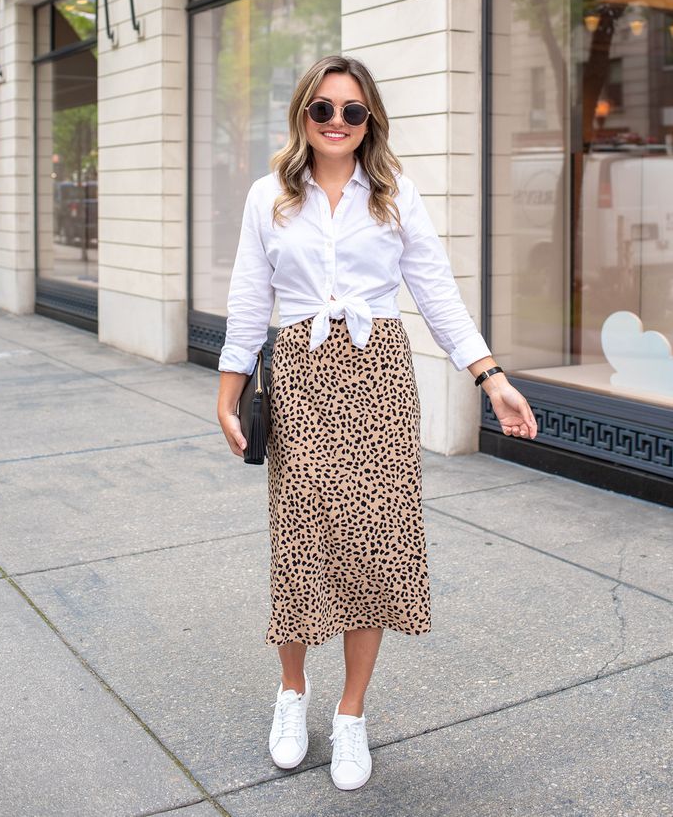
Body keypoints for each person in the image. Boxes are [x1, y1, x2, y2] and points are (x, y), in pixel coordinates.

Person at [216, 54, 537, 792]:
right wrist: (227, 394)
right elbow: (246, 300)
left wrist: (490, 378)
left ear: (369, 123)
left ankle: (352, 712)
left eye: (351, 111)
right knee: (299, 543)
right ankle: (292, 694)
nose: (335, 122)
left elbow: (436, 294)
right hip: (298, 376)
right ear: (302, 115)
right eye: (321, 109)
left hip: (379, 378)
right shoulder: (269, 197)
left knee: (374, 545)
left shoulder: (395, 196)